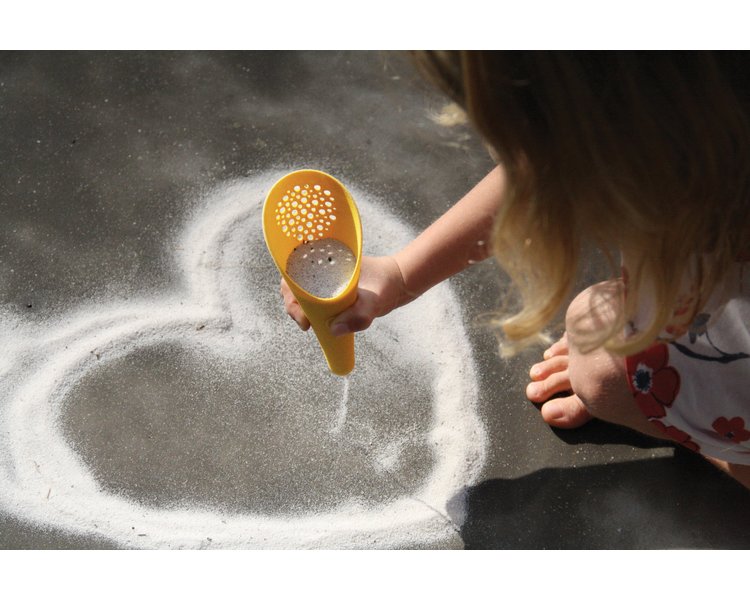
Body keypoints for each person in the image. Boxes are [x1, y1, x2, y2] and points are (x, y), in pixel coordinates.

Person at [280, 51, 750, 489]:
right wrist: (402, 274)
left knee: (597, 372)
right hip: (703, 316)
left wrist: (697, 429)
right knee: (595, 335)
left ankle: (723, 441)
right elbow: (548, 165)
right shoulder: (678, 135)